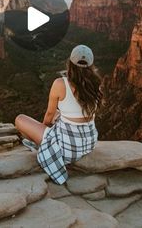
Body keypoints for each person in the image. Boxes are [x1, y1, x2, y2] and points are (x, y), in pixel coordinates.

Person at [15, 44, 103, 184]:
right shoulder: (96, 83)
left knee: (20, 119)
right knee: (59, 114)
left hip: (69, 147)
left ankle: (41, 145)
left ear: (70, 63)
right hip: (89, 142)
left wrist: (44, 132)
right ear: (91, 65)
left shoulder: (60, 84)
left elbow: (49, 115)